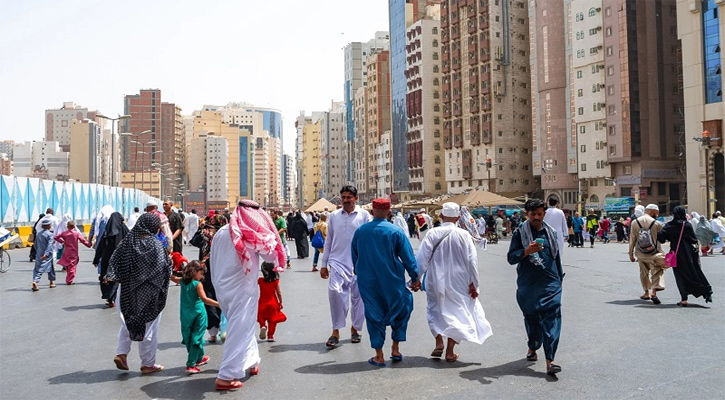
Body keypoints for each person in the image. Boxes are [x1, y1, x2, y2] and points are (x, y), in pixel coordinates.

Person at [210, 200, 285, 391]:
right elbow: (270, 256)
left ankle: (251, 361)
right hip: (242, 289)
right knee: (239, 327)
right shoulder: (249, 234)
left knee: (244, 325)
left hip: (222, 287)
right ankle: (226, 375)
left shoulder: (221, 232)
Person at [416, 202, 492, 363]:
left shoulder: (432, 233)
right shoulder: (464, 235)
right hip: (460, 280)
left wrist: (416, 279)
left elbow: (422, 259)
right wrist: (474, 284)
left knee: (434, 308)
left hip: (435, 278)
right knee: (457, 312)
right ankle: (450, 351)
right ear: (458, 217)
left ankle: (438, 342)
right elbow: (472, 261)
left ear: (441, 216)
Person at [351, 198, 420, 367]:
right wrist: (415, 278)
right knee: (401, 308)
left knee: (374, 314)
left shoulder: (361, 231)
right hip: (393, 280)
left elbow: (355, 255)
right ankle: (395, 349)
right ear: (389, 213)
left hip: (368, 281)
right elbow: (408, 258)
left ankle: (379, 355)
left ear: (372, 212)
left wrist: (359, 271)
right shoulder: (396, 231)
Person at [107, 213, 172, 374]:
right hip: (149, 292)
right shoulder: (156, 245)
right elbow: (164, 268)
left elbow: (114, 262)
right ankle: (148, 364)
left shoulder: (127, 242)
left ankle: (121, 353)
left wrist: (113, 277)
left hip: (127, 290)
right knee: (149, 327)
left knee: (128, 321)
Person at [506, 199, 564, 376]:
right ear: (527, 214)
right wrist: (526, 251)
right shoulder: (519, 233)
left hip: (550, 282)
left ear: (544, 214)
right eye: (533, 214)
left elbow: (556, 258)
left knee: (552, 317)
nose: (537, 217)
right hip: (528, 283)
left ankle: (550, 359)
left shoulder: (551, 232)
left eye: (539, 214)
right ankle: (533, 345)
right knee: (531, 317)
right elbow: (511, 258)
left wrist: (559, 278)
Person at [320, 185, 371, 348]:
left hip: (359, 263)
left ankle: (355, 328)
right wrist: (323, 264)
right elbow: (329, 241)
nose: (346, 200)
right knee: (334, 292)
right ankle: (335, 330)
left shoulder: (365, 215)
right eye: (343, 197)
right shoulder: (334, 216)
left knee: (359, 299)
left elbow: (370, 238)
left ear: (356, 198)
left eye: (349, 197)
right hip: (337, 262)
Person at [170, 260, 219, 375]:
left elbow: (173, 278)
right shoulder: (197, 284)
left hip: (185, 315)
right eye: (201, 274)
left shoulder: (183, 282)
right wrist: (219, 304)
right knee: (197, 337)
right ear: (194, 271)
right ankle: (191, 364)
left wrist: (167, 271)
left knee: (191, 336)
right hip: (198, 314)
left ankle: (199, 358)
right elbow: (205, 299)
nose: (201, 277)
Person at [657, 206, 713, 306]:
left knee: (679, 276)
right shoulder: (686, 225)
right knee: (693, 272)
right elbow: (693, 239)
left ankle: (684, 299)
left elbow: (661, 238)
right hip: (688, 254)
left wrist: (670, 236)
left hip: (676, 253)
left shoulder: (670, 225)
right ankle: (704, 290)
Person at [197, 213, 228, 342]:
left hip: (206, 269)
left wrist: (202, 227)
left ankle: (213, 332)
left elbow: (194, 241)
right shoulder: (227, 235)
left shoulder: (205, 233)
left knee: (208, 296)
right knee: (224, 296)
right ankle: (225, 329)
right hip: (223, 267)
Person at [628, 204, 666, 304]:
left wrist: (631, 254)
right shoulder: (657, 223)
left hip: (640, 253)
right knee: (657, 270)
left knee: (643, 272)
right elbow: (662, 239)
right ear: (652, 211)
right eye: (656, 213)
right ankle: (654, 292)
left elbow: (632, 239)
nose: (657, 215)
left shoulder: (635, 222)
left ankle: (646, 293)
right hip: (654, 253)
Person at [93, 212, 129, 307]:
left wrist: (96, 259)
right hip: (121, 259)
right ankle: (114, 298)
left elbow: (100, 247)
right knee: (117, 277)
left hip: (107, 259)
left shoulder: (107, 232)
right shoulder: (124, 229)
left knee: (107, 277)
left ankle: (110, 298)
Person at [54, 220, 91, 285]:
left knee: (68, 265)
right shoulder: (76, 234)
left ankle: (68, 278)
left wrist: (62, 242)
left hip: (66, 251)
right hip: (74, 252)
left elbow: (55, 237)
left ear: (67, 226)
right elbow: (83, 241)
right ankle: (69, 280)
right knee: (73, 266)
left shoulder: (64, 233)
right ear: (74, 226)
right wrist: (89, 245)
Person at [258, 262, 287, 342]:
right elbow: (279, 292)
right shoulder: (276, 281)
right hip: (273, 303)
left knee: (261, 317)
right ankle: (270, 335)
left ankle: (263, 326)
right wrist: (280, 302)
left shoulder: (260, 280)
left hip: (262, 303)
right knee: (272, 321)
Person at [31, 218, 56, 291]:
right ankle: (36, 281)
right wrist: (46, 254)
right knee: (41, 269)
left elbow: (35, 244)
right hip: (47, 255)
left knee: (43, 267)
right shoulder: (50, 235)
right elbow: (49, 245)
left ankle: (51, 282)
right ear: (49, 226)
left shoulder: (38, 234)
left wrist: (38, 251)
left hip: (39, 254)